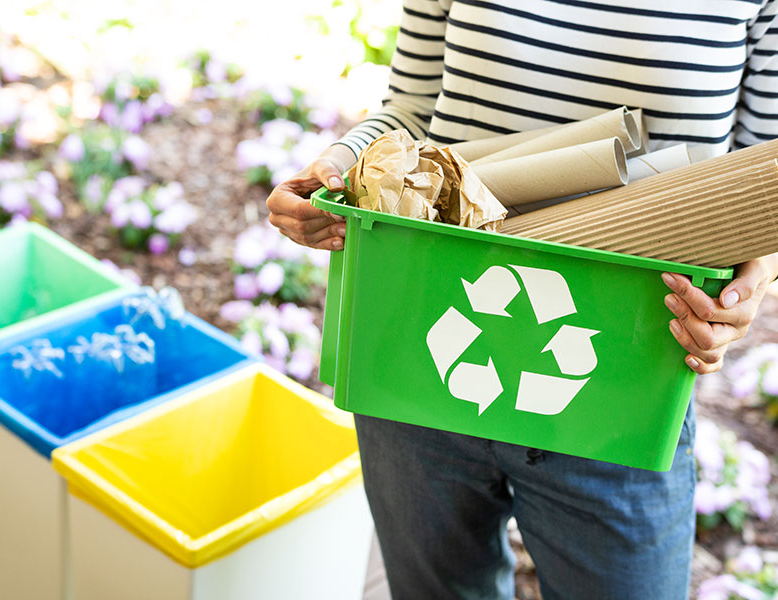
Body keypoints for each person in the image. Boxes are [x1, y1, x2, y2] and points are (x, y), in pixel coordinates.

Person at [267, 1, 778, 598]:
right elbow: (409, 109)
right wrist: (336, 167)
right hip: (425, 339)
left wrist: (751, 284)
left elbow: (759, 177)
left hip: (625, 373)